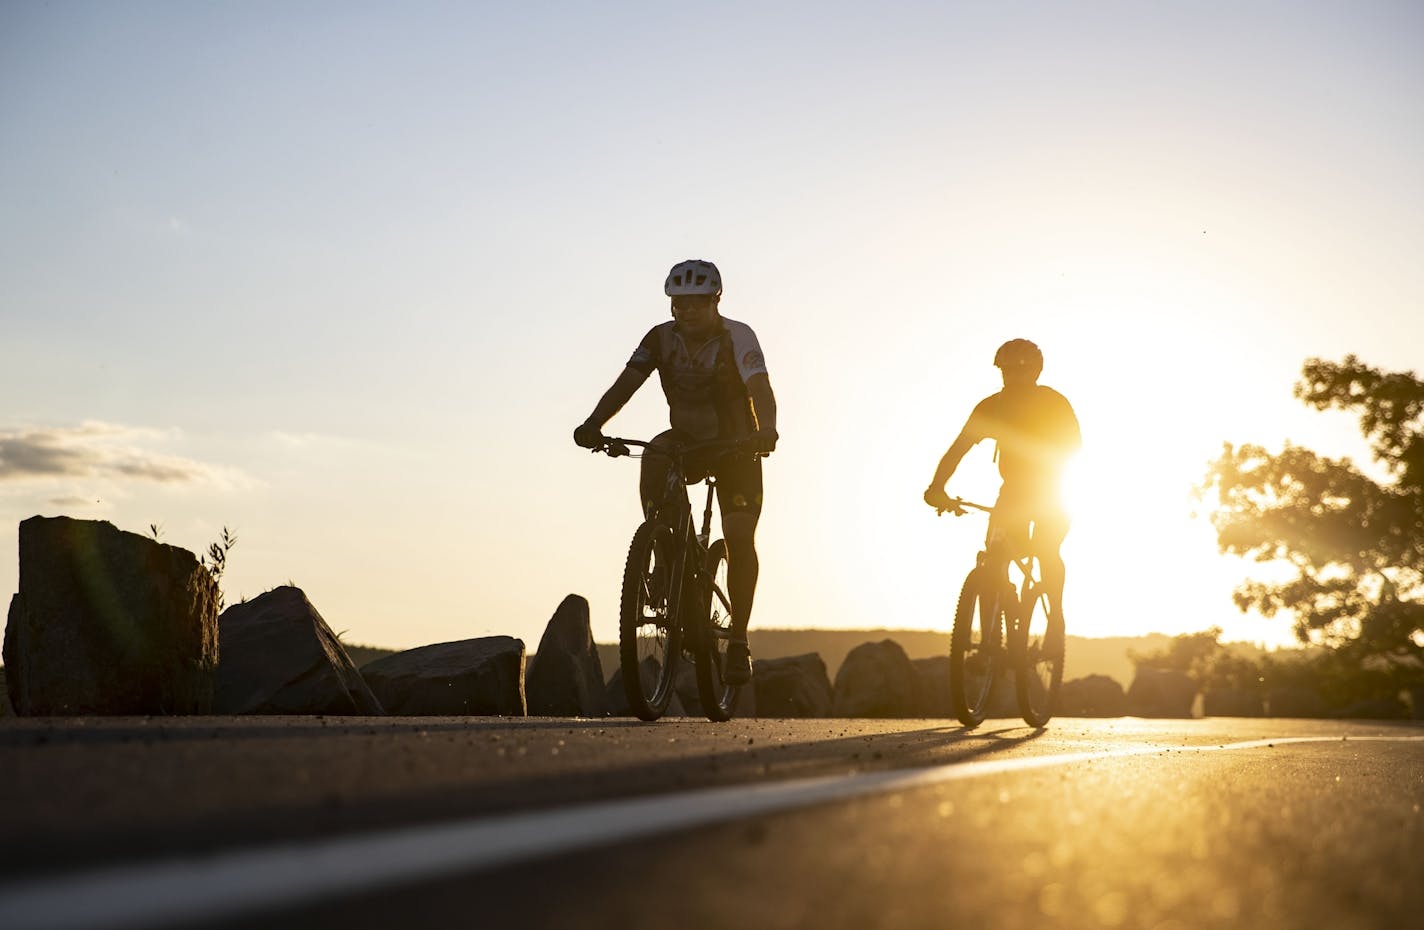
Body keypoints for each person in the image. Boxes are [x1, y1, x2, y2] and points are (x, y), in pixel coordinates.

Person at [574, 259, 778, 685]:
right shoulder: (660, 339)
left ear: (714, 301)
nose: (685, 311)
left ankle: (738, 640)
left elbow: (760, 386)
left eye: (695, 304)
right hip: (687, 438)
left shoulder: (737, 337)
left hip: (736, 446)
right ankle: (665, 551)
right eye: (678, 303)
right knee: (655, 453)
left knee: (739, 537)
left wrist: (766, 429)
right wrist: (595, 424)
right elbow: (626, 383)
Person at [923, 338, 1081, 622]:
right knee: (996, 553)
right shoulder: (991, 408)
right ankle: (992, 636)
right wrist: (937, 487)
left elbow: (1073, 448)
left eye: (1020, 371)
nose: (1013, 378)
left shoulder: (1053, 403)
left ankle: (1055, 618)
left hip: (1051, 492)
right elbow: (957, 450)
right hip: (1013, 492)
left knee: (1047, 550)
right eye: (1007, 372)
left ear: (1036, 372)